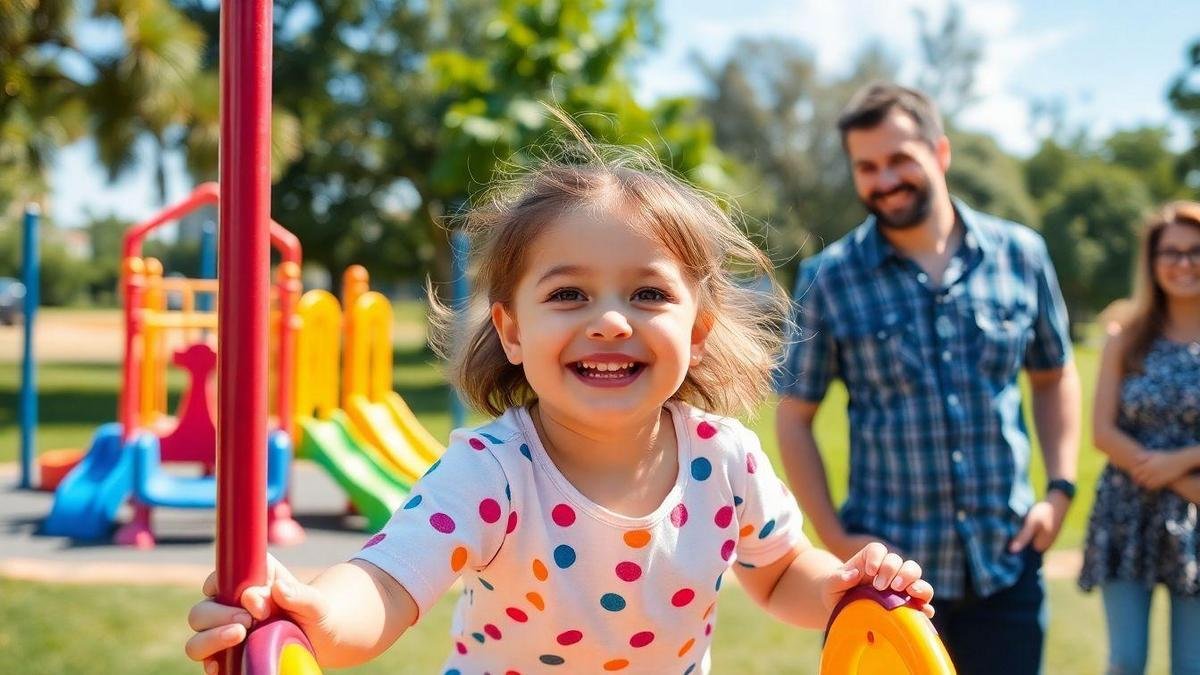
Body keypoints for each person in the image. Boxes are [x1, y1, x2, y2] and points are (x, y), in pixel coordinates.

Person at [183, 132, 936, 674]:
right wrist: (319, 613)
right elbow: (387, 581)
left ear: (698, 330)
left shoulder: (725, 458)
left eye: (647, 293)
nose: (610, 320)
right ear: (511, 330)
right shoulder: (491, 471)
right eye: (568, 293)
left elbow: (777, 573)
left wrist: (837, 586)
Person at [774, 82, 1081, 674]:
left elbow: (1054, 374)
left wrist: (1060, 490)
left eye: (898, 159)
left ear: (939, 153)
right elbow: (794, 416)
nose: (883, 180)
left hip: (1006, 567)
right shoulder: (829, 277)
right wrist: (835, 534)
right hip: (886, 589)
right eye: (866, 167)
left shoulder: (1022, 254)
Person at [1079, 201, 1200, 675]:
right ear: (1151, 262)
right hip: (1126, 512)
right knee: (1126, 661)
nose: (1183, 262)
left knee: (1191, 665)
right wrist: (1172, 476)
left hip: (1196, 519)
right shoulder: (1124, 337)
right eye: (1170, 251)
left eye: (1195, 251)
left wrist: (1183, 460)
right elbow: (1102, 432)